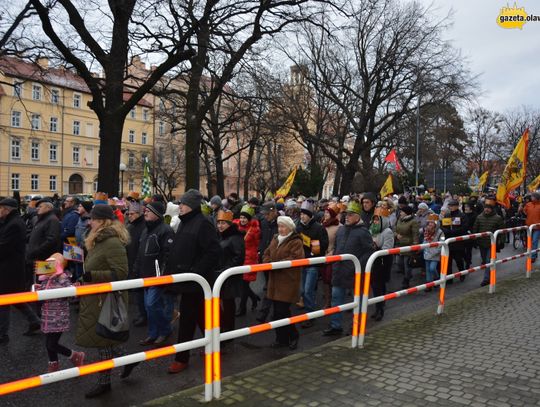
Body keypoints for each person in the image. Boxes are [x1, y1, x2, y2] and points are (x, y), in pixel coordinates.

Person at [76, 204, 130, 398]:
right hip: (97, 297)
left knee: (103, 341)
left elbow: (122, 273)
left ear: (102, 221)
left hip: (105, 299)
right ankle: (129, 359)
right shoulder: (99, 240)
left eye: (93, 219)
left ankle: (104, 383)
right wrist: (85, 278)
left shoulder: (111, 242)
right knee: (105, 339)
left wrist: (91, 276)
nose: (89, 222)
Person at [166, 189, 221, 374]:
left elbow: (213, 252)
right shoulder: (184, 222)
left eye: (183, 203)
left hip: (197, 282)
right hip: (187, 279)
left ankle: (181, 359)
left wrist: (196, 272)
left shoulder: (203, 223)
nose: (179, 206)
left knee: (187, 321)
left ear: (191, 206)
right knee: (200, 317)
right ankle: (212, 345)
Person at [323, 199, 374, 336]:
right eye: (346, 214)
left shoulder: (363, 232)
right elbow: (337, 248)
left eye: (351, 214)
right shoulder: (341, 230)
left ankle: (356, 326)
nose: (347, 217)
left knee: (357, 300)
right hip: (339, 270)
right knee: (336, 299)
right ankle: (335, 325)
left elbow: (369, 252)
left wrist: (356, 266)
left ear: (358, 216)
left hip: (355, 272)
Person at [34, 253, 85, 372]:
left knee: (51, 344)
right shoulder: (45, 279)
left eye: (50, 265)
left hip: (58, 318)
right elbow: (44, 292)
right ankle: (54, 364)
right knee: (48, 343)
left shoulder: (62, 278)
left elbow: (71, 293)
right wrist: (38, 289)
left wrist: (73, 287)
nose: (47, 267)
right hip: (48, 317)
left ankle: (75, 356)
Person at [0, 198, 41, 343]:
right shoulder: (10, 222)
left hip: (9, 268)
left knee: (4, 299)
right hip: (10, 267)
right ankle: (35, 321)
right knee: (16, 299)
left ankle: (2, 334)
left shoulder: (14, 224)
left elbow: (4, 247)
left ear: (6, 209)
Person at [135, 201, 175, 346]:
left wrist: (162, 277)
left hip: (157, 277)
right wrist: (136, 269)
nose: (145, 212)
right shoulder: (146, 230)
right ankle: (152, 334)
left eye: (148, 211)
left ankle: (165, 330)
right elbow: (140, 253)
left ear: (157, 214)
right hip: (145, 275)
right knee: (148, 306)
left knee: (151, 304)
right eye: (145, 210)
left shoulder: (166, 230)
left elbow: (168, 255)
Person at [262, 216, 304, 349]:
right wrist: (268, 262)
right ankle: (281, 339)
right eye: (279, 226)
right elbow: (266, 253)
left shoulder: (295, 241)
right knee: (277, 312)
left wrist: (277, 265)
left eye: (283, 226)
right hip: (274, 281)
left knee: (283, 311)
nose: (280, 229)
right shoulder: (275, 239)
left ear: (290, 228)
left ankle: (293, 336)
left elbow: (296, 258)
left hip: (287, 281)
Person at [296, 200, 329, 328]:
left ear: (310, 215)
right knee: (303, 290)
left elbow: (324, 244)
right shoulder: (298, 227)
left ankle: (311, 315)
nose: (302, 216)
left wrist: (310, 244)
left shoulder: (319, 228)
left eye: (304, 214)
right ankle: (310, 311)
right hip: (302, 262)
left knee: (308, 290)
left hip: (314, 263)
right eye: (301, 214)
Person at [215, 209, 245, 338]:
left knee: (228, 305)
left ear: (229, 224)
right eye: (219, 223)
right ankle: (224, 330)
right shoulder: (222, 236)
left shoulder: (235, 238)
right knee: (221, 304)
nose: (220, 226)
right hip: (221, 276)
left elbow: (239, 257)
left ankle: (228, 332)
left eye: (223, 223)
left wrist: (227, 270)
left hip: (229, 277)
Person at [233, 205, 261, 316]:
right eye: (241, 217)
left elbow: (257, 244)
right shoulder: (235, 226)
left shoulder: (254, 230)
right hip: (239, 258)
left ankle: (242, 308)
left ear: (249, 219)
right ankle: (254, 298)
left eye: (245, 218)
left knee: (244, 285)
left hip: (249, 259)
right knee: (241, 284)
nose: (243, 220)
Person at [473, 197, 504, 286]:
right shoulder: (479, 217)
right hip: (482, 243)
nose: (486, 209)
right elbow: (475, 228)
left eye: (488, 208)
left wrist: (501, 242)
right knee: (484, 260)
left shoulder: (498, 218)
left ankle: (486, 279)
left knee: (488, 260)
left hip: (492, 244)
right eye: (485, 208)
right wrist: (474, 240)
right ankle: (488, 275)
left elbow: (502, 231)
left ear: (492, 209)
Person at [256, 201, 279, 323]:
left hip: (276, 260)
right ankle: (274, 313)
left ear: (274, 211)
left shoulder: (281, 224)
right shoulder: (264, 223)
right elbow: (261, 237)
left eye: (267, 214)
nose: (265, 216)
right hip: (265, 258)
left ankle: (264, 313)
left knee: (270, 286)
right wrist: (260, 250)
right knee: (270, 286)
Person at [369, 211, 394, 320]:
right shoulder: (372, 230)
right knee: (376, 285)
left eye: (377, 220)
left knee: (378, 285)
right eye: (374, 219)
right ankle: (378, 307)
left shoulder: (387, 231)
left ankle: (380, 309)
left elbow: (387, 248)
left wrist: (375, 247)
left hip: (383, 261)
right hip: (374, 260)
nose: (375, 222)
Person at [126, 200, 147, 327]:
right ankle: (141, 314)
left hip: (138, 263)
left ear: (139, 214)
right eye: (128, 214)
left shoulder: (143, 227)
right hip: (131, 261)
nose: (129, 216)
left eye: (132, 214)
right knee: (137, 292)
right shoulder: (130, 226)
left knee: (140, 293)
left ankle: (144, 316)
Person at [440, 198, 469, 283]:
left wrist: (453, 232)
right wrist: (446, 231)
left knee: (458, 259)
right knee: (448, 261)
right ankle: (449, 278)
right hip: (448, 241)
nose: (451, 207)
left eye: (453, 205)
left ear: (457, 206)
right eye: (450, 205)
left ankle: (462, 273)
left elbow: (464, 227)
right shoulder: (447, 215)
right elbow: (442, 225)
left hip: (458, 241)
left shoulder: (462, 216)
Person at [320, 203, 342, 308]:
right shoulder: (322, 224)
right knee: (324, 280)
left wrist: (331, 253)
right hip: (322, 256)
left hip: (333, 257)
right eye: (325, 212)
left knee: (331, 279)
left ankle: (334, 302)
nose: (325, 214)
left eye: (328, 212)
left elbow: (339, 244)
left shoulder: (339, 227)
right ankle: (327, 301)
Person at [395, 205, 419, 289]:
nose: (400, 213)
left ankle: (406, 280)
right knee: (399, 263)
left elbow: (415, 234)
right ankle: (407, 275)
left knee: (407, 265)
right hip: (399, 245)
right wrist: (396, 235)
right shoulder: (399, 220)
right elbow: (395, 230)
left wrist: (415, 245)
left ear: (406, 213)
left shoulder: (413, 222)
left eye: (402, 211)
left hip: (409, 246)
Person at [422, 214, 444, 291]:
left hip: (435, 253)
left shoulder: (440, 232)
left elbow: (442, 242)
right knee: (427, 269)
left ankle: (437, 278)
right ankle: (429, 284)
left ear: (436, 223)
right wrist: (423, 247)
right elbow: (424, 240)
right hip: (427, 252)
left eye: (432, 222)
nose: (430, 224)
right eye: (429, 222)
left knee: (432, 268)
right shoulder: (426, 230)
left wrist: (437, 250)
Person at [523, 192, 540, 264]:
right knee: (529, 242)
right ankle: (534, 254)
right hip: (529, 227)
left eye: (532, 197)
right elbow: (525, 211)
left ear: (536, 198)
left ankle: (533, 256)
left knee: (534, 241)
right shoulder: (528, 204)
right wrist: (521, 209)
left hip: (537, 227)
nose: (531, 198)